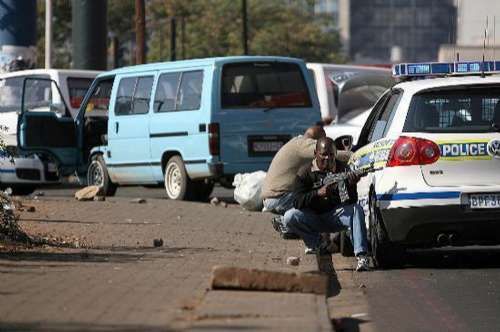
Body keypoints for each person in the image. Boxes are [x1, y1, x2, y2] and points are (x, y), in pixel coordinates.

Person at [283, 137, 370, 271]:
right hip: (313, 218)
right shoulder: (305, 173)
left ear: (335, 154)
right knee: (289, 216)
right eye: (323, 154)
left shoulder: (343, 169)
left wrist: (351, 185)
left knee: (356, 209)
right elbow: (296, 201)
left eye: (331, 155)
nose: (327, 158)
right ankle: (318, 244)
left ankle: (362, 255)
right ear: (315, 154)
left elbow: (350, 201)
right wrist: (317, 193)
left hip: (335, 216)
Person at [261, 125, 326, 238]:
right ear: (317, 140)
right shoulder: (304, 144)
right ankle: (287, 224)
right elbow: (330, 154)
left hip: (269, 198)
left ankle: (290, 227)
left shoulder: (295, 142)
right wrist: (352, 155)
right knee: (314, 199)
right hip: (279, 197)